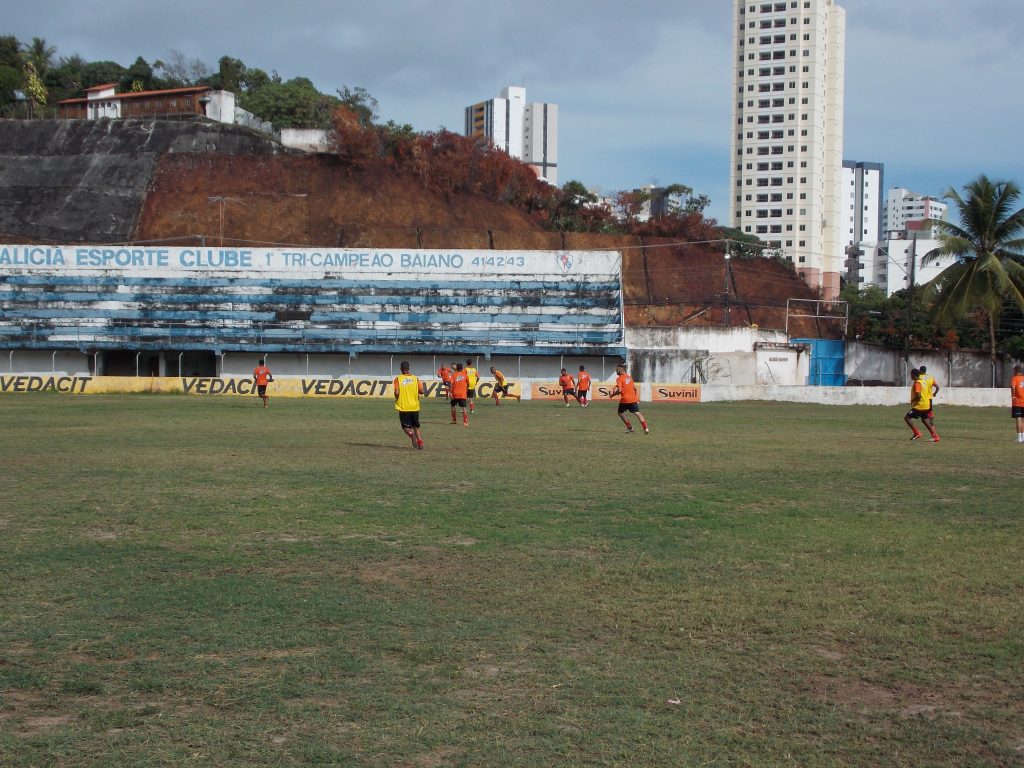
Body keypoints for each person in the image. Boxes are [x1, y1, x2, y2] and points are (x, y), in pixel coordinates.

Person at [609, 363, 649, 434]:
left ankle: (630, 427)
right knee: (638, 413)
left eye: (617, 370)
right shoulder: (629, 377)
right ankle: (646, 428)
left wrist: (612, 395)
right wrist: (635, 397)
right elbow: (635, 388)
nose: (616, 371)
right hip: (633, 399)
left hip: (625, 400)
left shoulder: (619, 378)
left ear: (621, 370)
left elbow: (620, 390)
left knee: (620, 413)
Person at [393, 361, 425, 449]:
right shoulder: (415, 378)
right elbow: (422, 391)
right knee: (415, 426)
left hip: (404, 407)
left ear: (400, 368)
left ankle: (412, 436)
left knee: (405, 427)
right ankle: (420, 442)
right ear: (408, 368)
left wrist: (396, 397)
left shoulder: (398, 379)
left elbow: (396, 392)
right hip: (414, 406)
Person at [905, 368, 940, 442]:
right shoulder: (923, 382)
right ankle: (935, 436)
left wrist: (914, 401)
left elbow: (918, 396)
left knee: (907, 418)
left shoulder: (917, 383)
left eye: (911, 374)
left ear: (913, 375)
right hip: (926, 405)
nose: (910, 376)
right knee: (924, 420)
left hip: (920, 406)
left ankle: (917, 433)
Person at [1011, 365, 1024, 443]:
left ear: (1015, 370)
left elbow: (1013, 387)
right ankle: (1023, 437)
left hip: (1018, 402)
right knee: (1023, 420)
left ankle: (1019, 438)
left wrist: (1013, 396)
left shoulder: (1015, 378)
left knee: (1018, 420)